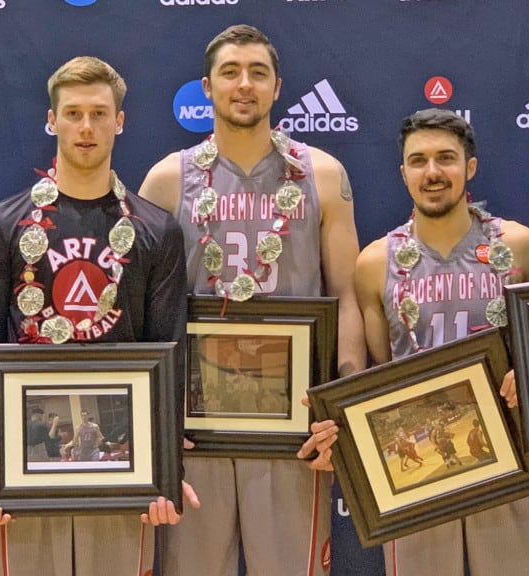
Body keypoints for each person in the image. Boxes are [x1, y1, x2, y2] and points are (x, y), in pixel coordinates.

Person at [139, 24, 365, 576]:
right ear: (206, 88)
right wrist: (153, 419)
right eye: (231, 73)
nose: (245, 85)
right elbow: (143, 309)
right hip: (195, 430)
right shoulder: (168, 179)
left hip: (294, 424)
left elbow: (349, 298)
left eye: (258, 73)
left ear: (277, 87)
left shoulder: (324, 173)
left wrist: (342, 407)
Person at [0, 55, 198, 576]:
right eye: (72, 113)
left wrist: (166, 468)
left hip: (125, 470)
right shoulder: (3, 225)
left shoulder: (158, 230)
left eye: (98, 113)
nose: (85, 127)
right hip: (19, 468)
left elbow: (170, 351)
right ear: (51, 120)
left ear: (120, 121)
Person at [333, 108, 529, 576]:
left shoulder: (522, 246)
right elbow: (381, 366)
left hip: (508, 459)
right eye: (419, 161)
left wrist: (526, 376)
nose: (433, 173)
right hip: (418, 481)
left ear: (469, 167)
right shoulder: (375, 262)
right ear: (403, 173)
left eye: (446, 159)